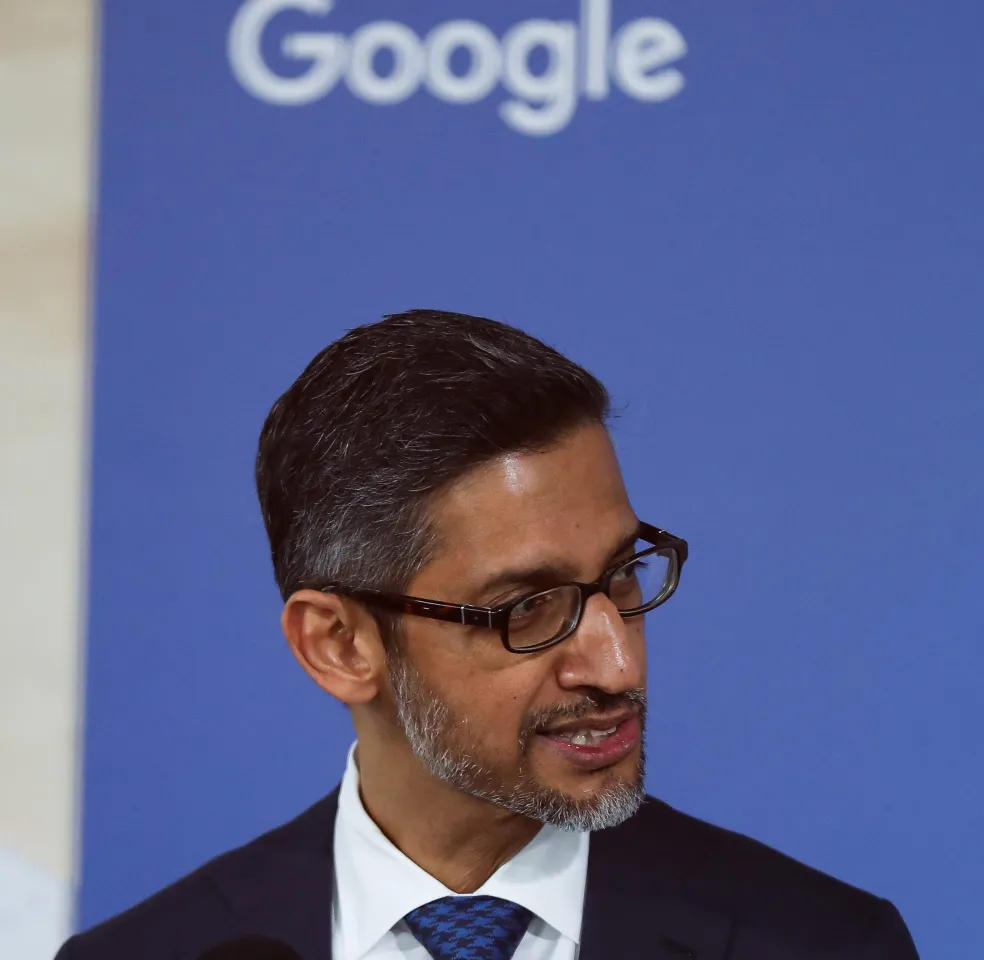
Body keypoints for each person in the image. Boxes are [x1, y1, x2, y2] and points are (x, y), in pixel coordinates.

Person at [57, 310, 920, 960]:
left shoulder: (823, 943)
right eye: (527, 608)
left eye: (623, 574)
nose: (616, 661)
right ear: (339, 645)